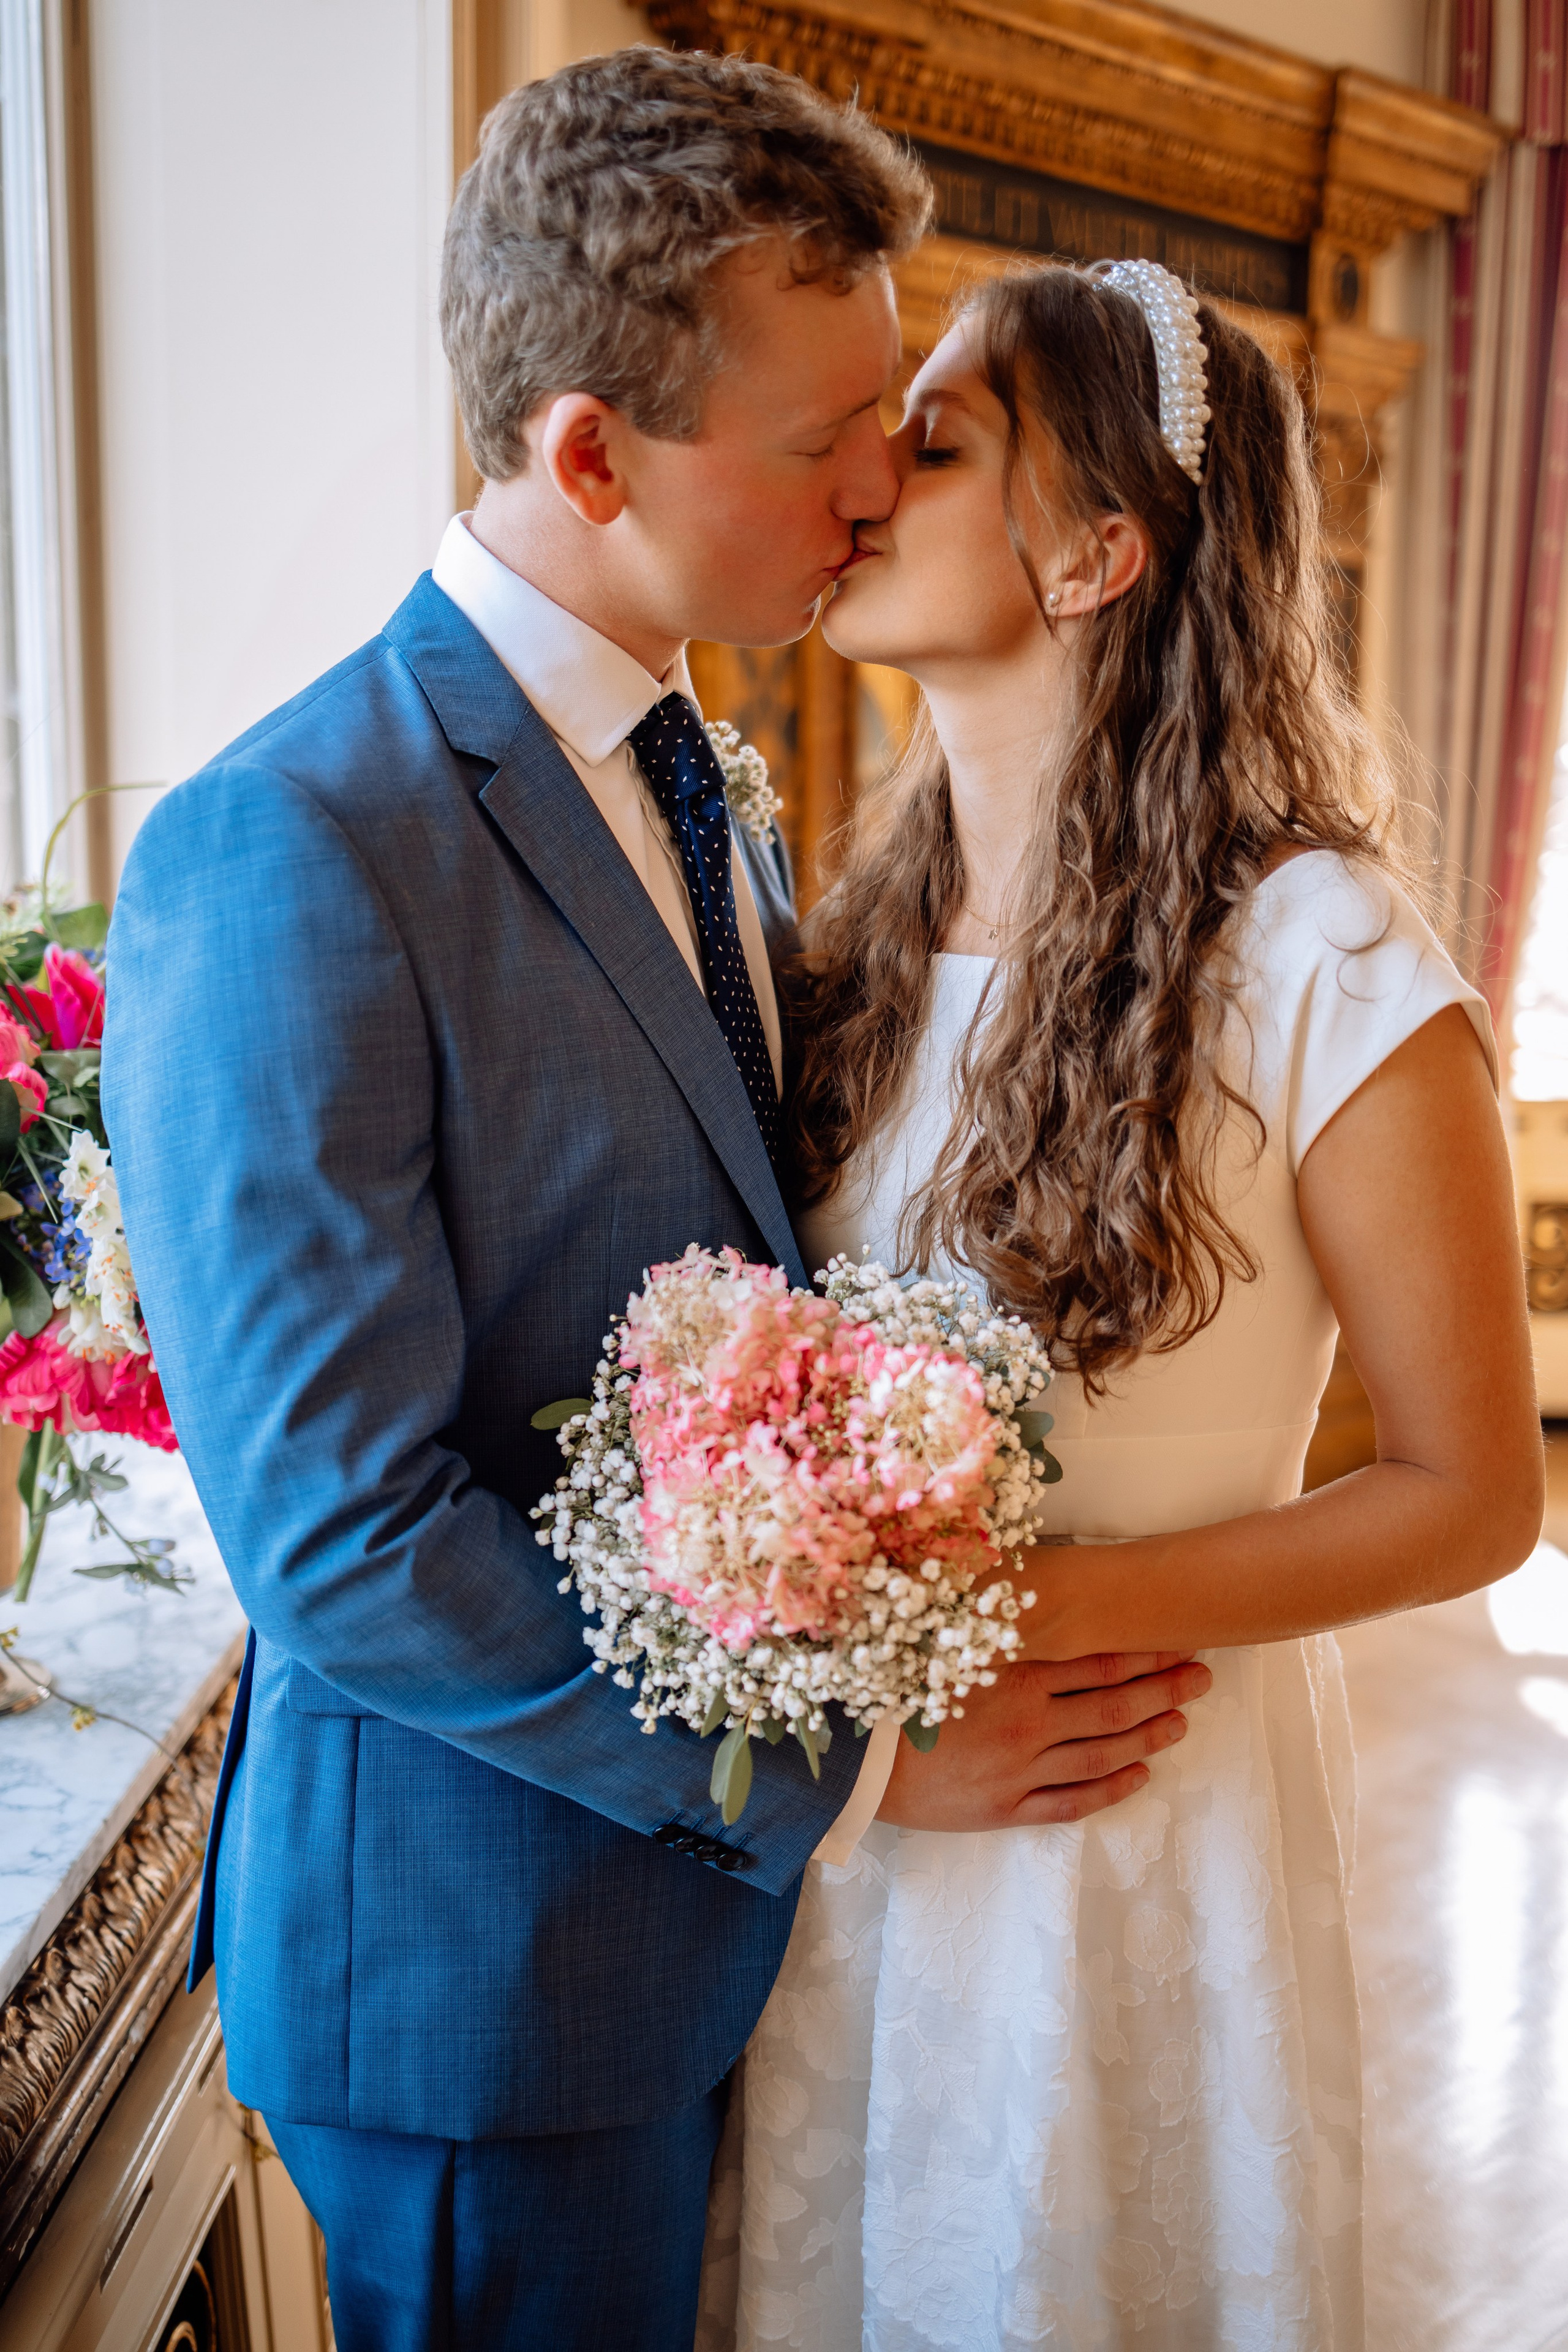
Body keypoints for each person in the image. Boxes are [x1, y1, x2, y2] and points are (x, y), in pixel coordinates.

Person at [102, 60, 1208, 2352]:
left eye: (896, 418)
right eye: (826, 442)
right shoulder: (293, 840)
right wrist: (861, 1768)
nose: (885, 482)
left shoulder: (707, 776)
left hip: (697, 1973)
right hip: (485, 1989)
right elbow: (337, 1536)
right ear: (591, 453)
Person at [701, 259, 1545, 2350]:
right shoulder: (845, 946)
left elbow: (1472, 1495)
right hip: (858, 1841)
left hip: (1125, 1828)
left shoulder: (1322, 954)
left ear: (1102, 550)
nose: (874, 465)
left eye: (947, 430)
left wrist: (1023, 1631)